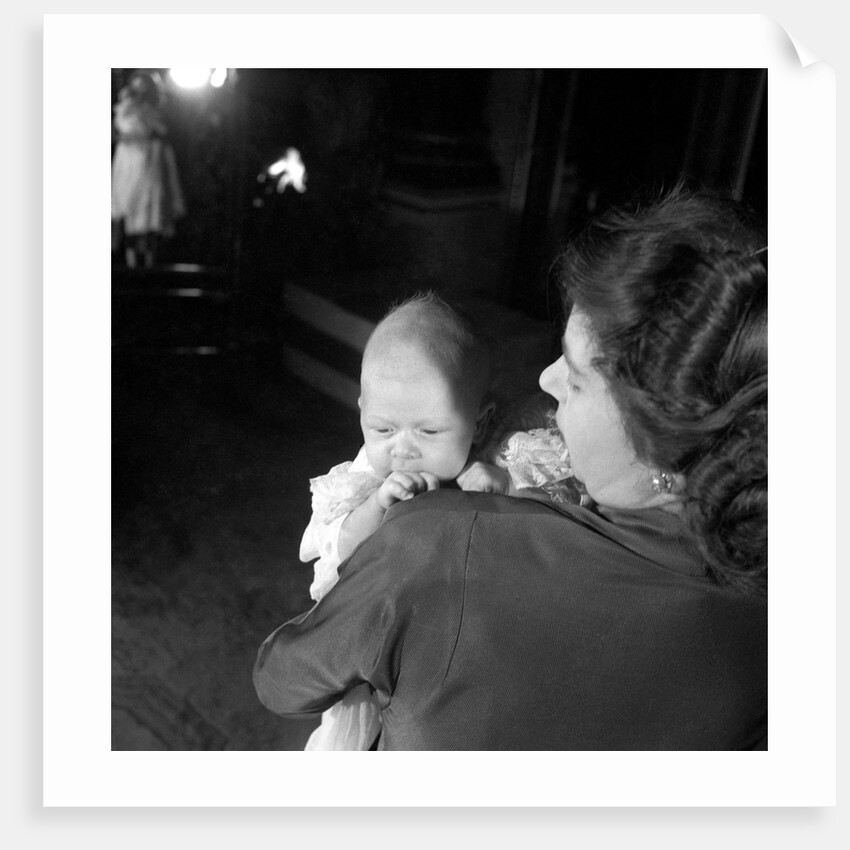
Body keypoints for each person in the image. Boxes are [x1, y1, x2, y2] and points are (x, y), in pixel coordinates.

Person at [254, 187, 768, 750]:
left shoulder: (437, 548)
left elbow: (281, 679)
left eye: (576, 379)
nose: (546, 379)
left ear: (658, 435)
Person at [298, 292, 584, 750]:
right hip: (385, 645)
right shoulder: (368, 477)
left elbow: (563, 519)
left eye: (429, 431)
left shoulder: (503, 457)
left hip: (479, 644)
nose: (402, 448)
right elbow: (335, 553)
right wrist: (376, 507)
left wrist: (506, 487)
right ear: (362, 411)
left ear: (480, 421)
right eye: (382, 429)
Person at [111, 70, 186, 269]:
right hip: (127, 161)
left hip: (148, 162)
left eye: (144, 88)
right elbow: (117, 132)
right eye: (136, 87)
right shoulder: (124, 108)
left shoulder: (155, 111)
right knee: (127, 207)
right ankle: (130, 263)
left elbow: (162, 131)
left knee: (148, 209)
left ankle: (150, 266)